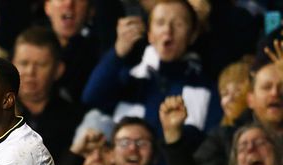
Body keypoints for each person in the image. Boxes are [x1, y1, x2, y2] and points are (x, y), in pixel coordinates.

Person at [81, 0, 221, 136]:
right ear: (149, 34)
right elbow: (92, 98)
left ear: (192, 35)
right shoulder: (130, 77)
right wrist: (118, 53)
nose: (168, 30)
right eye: (160, 23)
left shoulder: (206, 88)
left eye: (178, 24)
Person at [11, 26, 86, 163]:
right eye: (23, 63)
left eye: (40, 64)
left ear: (58, 70)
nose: (30, 72)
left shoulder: (75, 119)